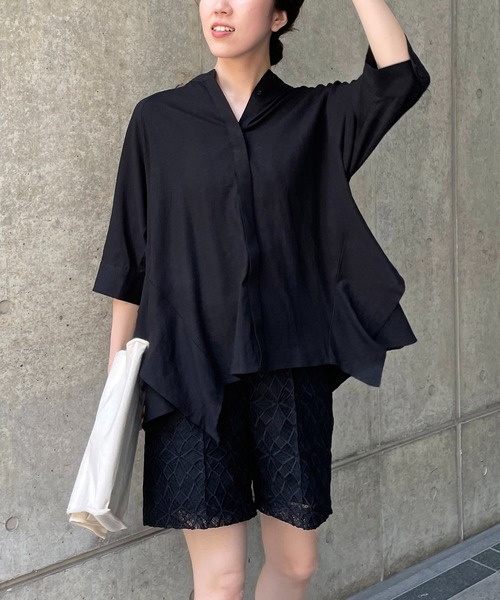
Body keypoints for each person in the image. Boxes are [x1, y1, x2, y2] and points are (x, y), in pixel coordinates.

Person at [92, 0, 431, 598]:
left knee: (296, 564)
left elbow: (397, 77)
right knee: (220, 580)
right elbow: (129, 257)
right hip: (188, 373)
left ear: (279, 18)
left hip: (290, 373)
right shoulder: (158, 120)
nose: (219, 7)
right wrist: (119, 378)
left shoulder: (315, 117)